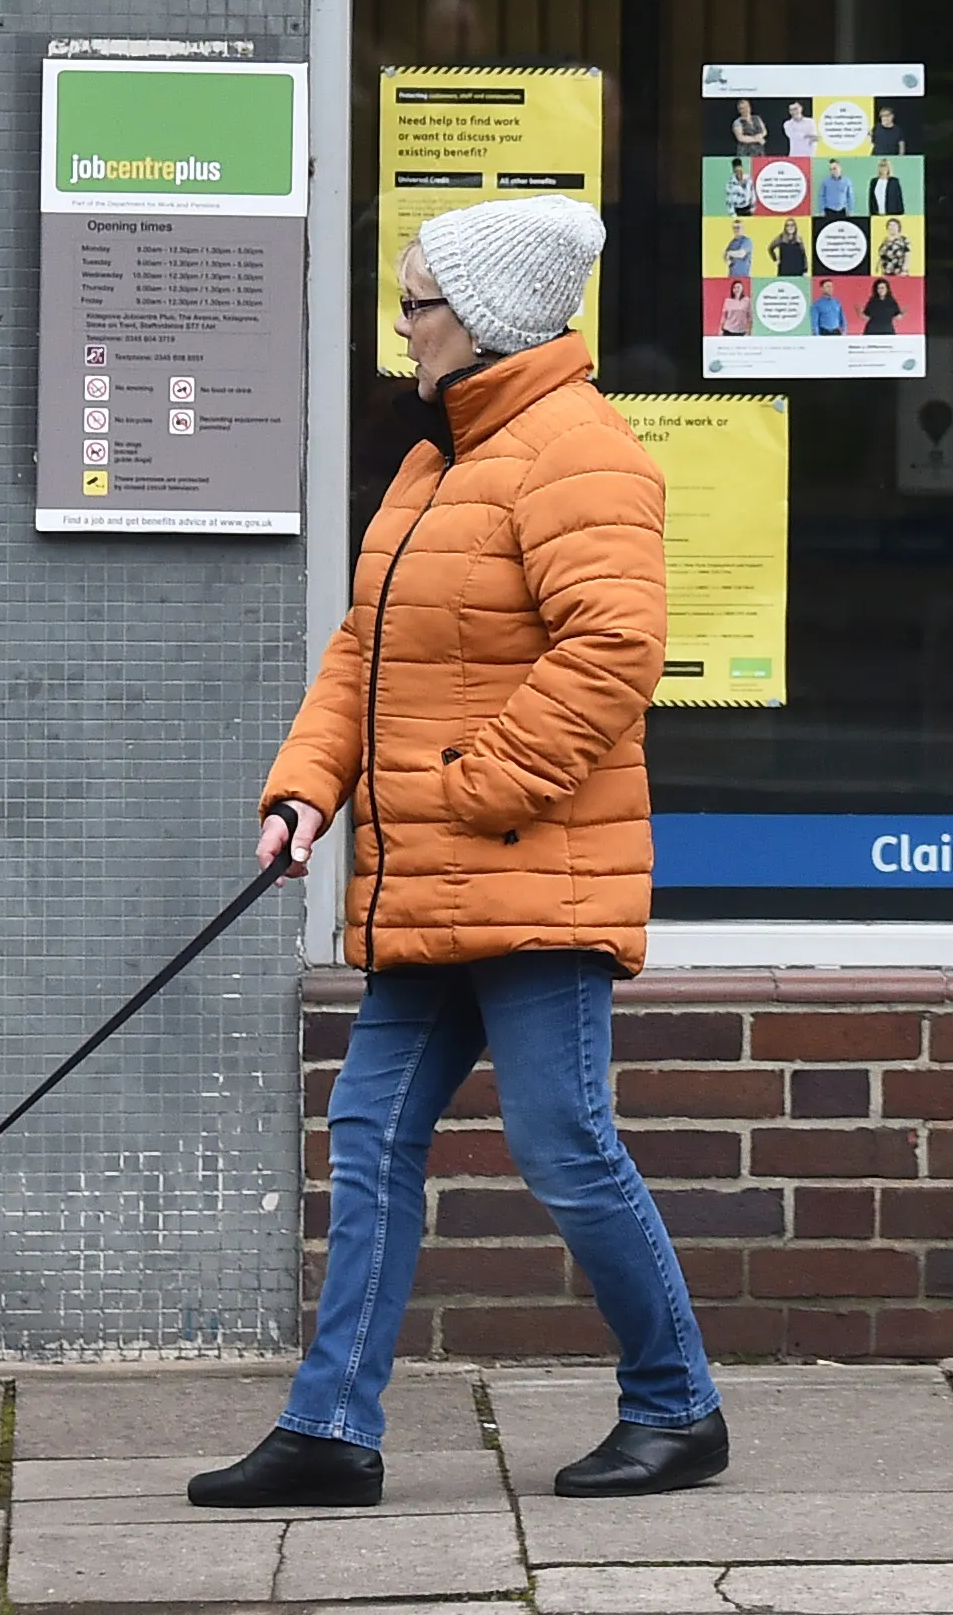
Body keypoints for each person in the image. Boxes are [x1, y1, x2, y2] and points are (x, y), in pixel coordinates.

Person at [190, 193, 731, 1510]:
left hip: (531, 873)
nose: (402, 325)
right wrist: (308, 785)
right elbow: (366, 653)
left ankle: (679, 1406)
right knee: (369, 1132)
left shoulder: (578, 452)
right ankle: (330, 1429)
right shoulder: (442, 458)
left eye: (419, 302)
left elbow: (612, 652)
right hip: (437, 877)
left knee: (562, 1143)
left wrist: (474, 791)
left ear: (484, 319)